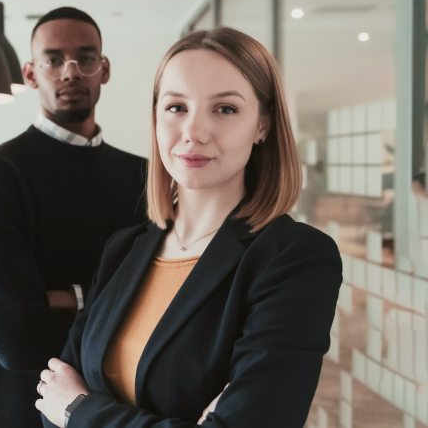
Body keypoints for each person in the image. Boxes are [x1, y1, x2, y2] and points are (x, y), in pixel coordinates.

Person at [35, 27, 343, 428]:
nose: (193, 133)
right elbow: (51, 397)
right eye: (176, 107)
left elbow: (66, 406)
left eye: (225, 109)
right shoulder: (124, 249)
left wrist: (81, 410)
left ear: (263, 125)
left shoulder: (293, 258)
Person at [0, 7, 147, 428]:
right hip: (20, 407)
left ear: (104, 69)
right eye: (52, 60)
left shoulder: (143, 175)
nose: (70, 72)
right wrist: (107, 299)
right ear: (31, 73)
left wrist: (65, 297)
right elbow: (15, 336)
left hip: (116, 409)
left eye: (85, 59)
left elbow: (158, 303)